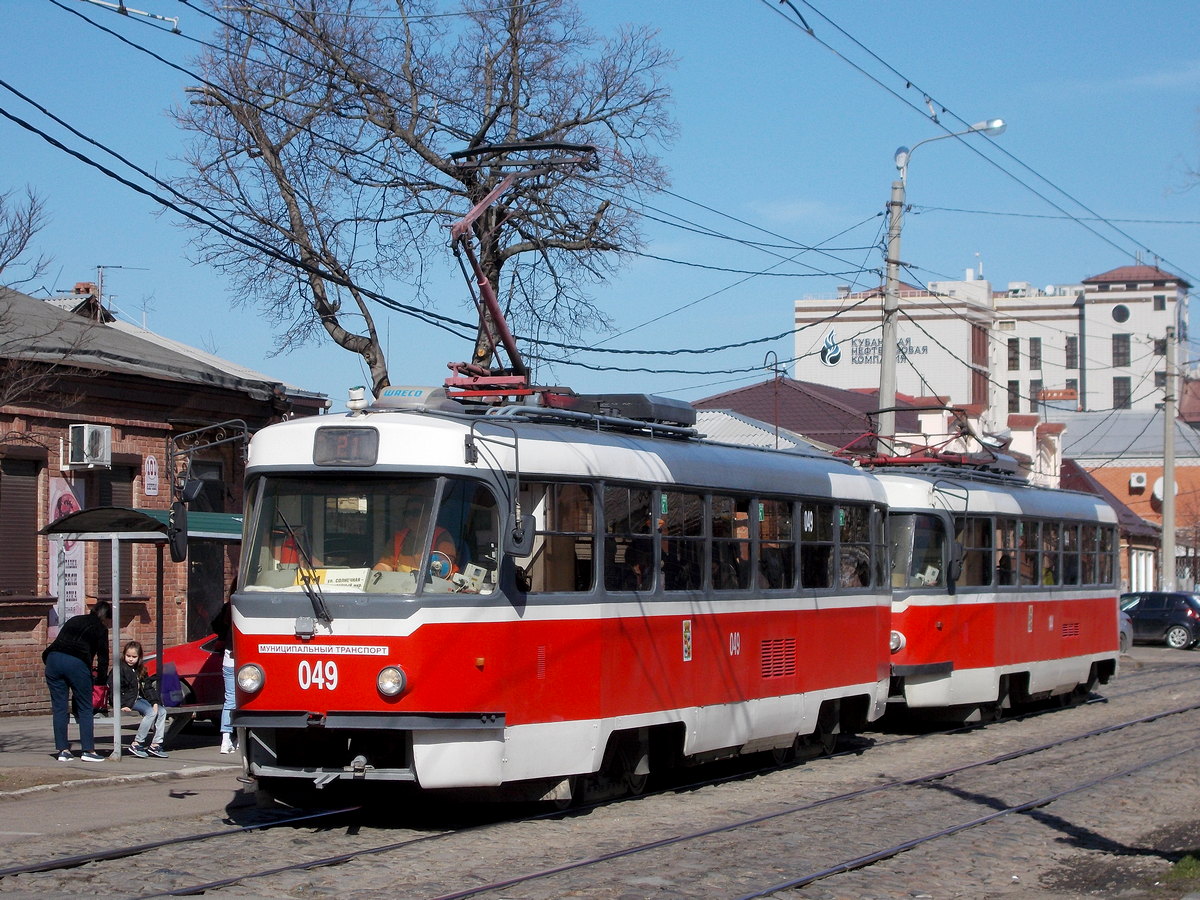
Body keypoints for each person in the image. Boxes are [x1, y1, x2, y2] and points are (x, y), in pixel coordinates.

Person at [43, 600, 111, 762]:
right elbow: (103, 658)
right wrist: (100, 681)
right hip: (77, 663)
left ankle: (63, 751)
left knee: (59, 708)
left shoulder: (75, 619)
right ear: (106, 617)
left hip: (53, 660)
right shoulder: (100, 629)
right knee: (85, 708)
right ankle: (88, 750)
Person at [119, 640, 168, 759]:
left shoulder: (141, 669)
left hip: (139, 698)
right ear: (124, 655)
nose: (130, 659)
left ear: (139, 657)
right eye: (128, 656)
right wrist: (122, 704)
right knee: (150, 713)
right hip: (127, 700)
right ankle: (137, 743)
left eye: (134, 657)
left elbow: (148, 687)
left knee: (162, 711)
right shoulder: (120, 669)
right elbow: (115, 688)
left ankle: (156, 744)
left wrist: (155, 702)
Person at [211, 597, 236, 754]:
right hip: (247, 659)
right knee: (246, 699)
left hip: (229, 657)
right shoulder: (247, 606)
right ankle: (240, 737)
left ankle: (225, 739)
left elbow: (215, 625)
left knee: (230, 699)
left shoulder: (227, 608)